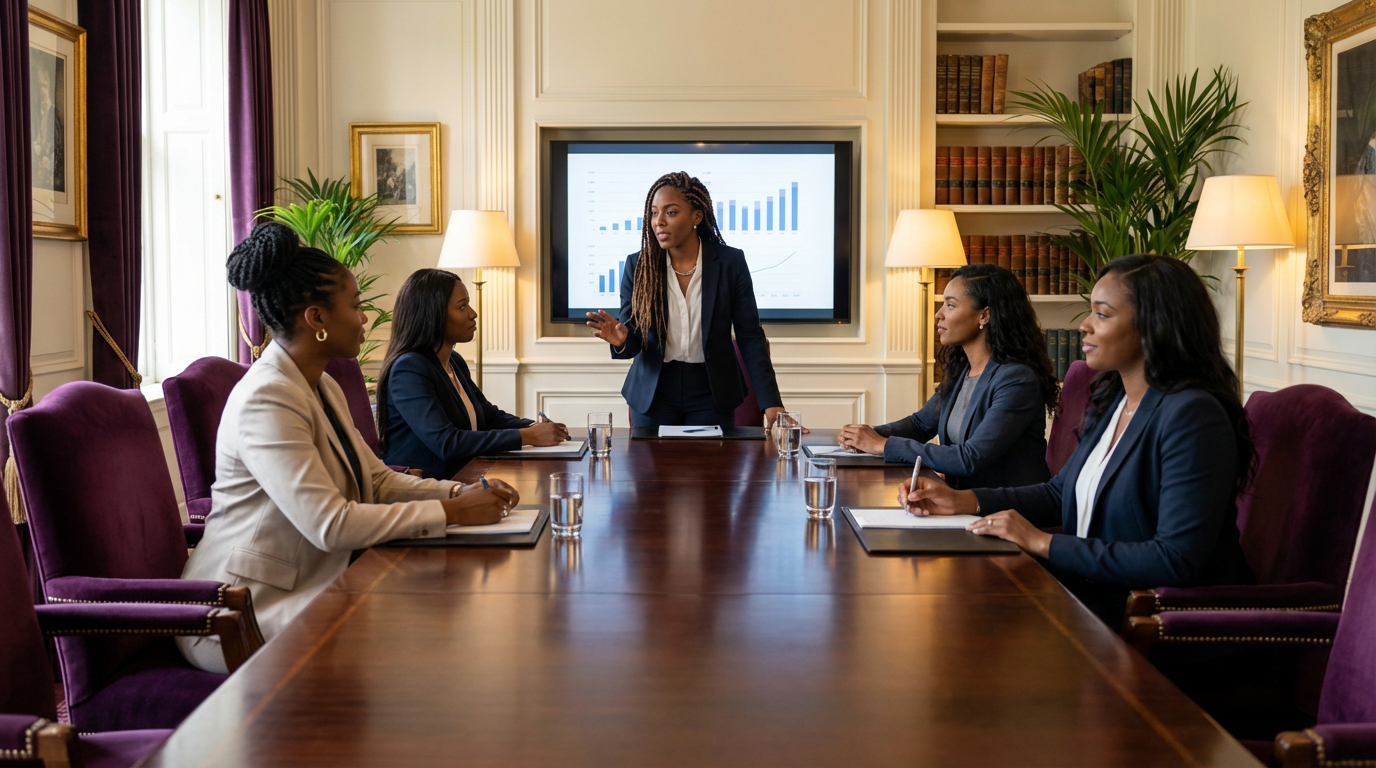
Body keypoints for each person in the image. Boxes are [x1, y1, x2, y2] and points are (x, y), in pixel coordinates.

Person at [178, 223, 519, 673]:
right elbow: (330, 524)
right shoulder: (267, 397)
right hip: (244, 610)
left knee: (440, 624)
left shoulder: (321, 384)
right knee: (430, 635)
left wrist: (456, 493)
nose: (365, 318)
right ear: (316, 318)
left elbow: (375, 479)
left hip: (312, 584)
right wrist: (454, 513)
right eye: (356, 306)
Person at [900, 254, 1255, 625]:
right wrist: (961, 501)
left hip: (1156, 630)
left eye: (1101, 314)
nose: (1084, 326)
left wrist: (1041, 542)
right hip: (1090, 604)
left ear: (1154, 325)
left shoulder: (1193, 415)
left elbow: (1175, 560)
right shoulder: (1117, 400)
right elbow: (1058, 493)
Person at [585, 171, 801, 429]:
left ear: (697, 216)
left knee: (711, 469)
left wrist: (771, 403)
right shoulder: (638, 265)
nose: (658, 222)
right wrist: (621, 340)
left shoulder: (730, 263)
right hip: (654, 392)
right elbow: (634, 340)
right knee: (648, 470)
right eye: (654, 213)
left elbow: (750, 335)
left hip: (711, 392)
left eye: (671, 212)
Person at [837, 264, 1057, 489]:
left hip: (1004, 511)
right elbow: (921, 424)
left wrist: (883, 445)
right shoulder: (963, 369)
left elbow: (971, 457)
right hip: (961, 500)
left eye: (950, 305)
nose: (938, 314)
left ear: (985, 315)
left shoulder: (1017, 380)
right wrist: (865, 435)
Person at [378, 268, 568, 478]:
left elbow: (489, 417)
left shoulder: (454, 361)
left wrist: (535, 427)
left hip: (465, 475)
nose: (473, 313)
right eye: (462, 306)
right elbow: (446, 443)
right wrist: (526, 436)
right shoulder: (409, 369)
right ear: (433, 315)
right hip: (426, 486)